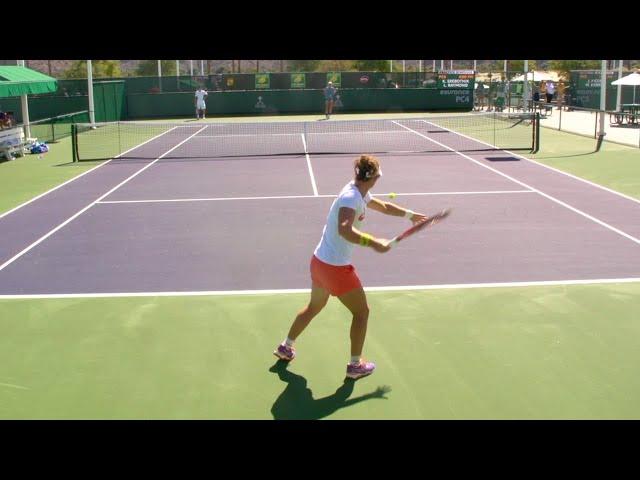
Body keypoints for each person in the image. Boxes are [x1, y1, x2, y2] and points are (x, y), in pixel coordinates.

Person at [273, 155, 428, 379]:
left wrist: (411, 216)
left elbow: (383, 206)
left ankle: (285, 347)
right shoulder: (350, 198)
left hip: (319, 263)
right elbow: (345, 230)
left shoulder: (358, 191)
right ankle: (355, 366)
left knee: (314, 307)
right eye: (378, 175)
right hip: (336, 268)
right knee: (362, 312)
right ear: (373, 177)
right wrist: (374, 243)